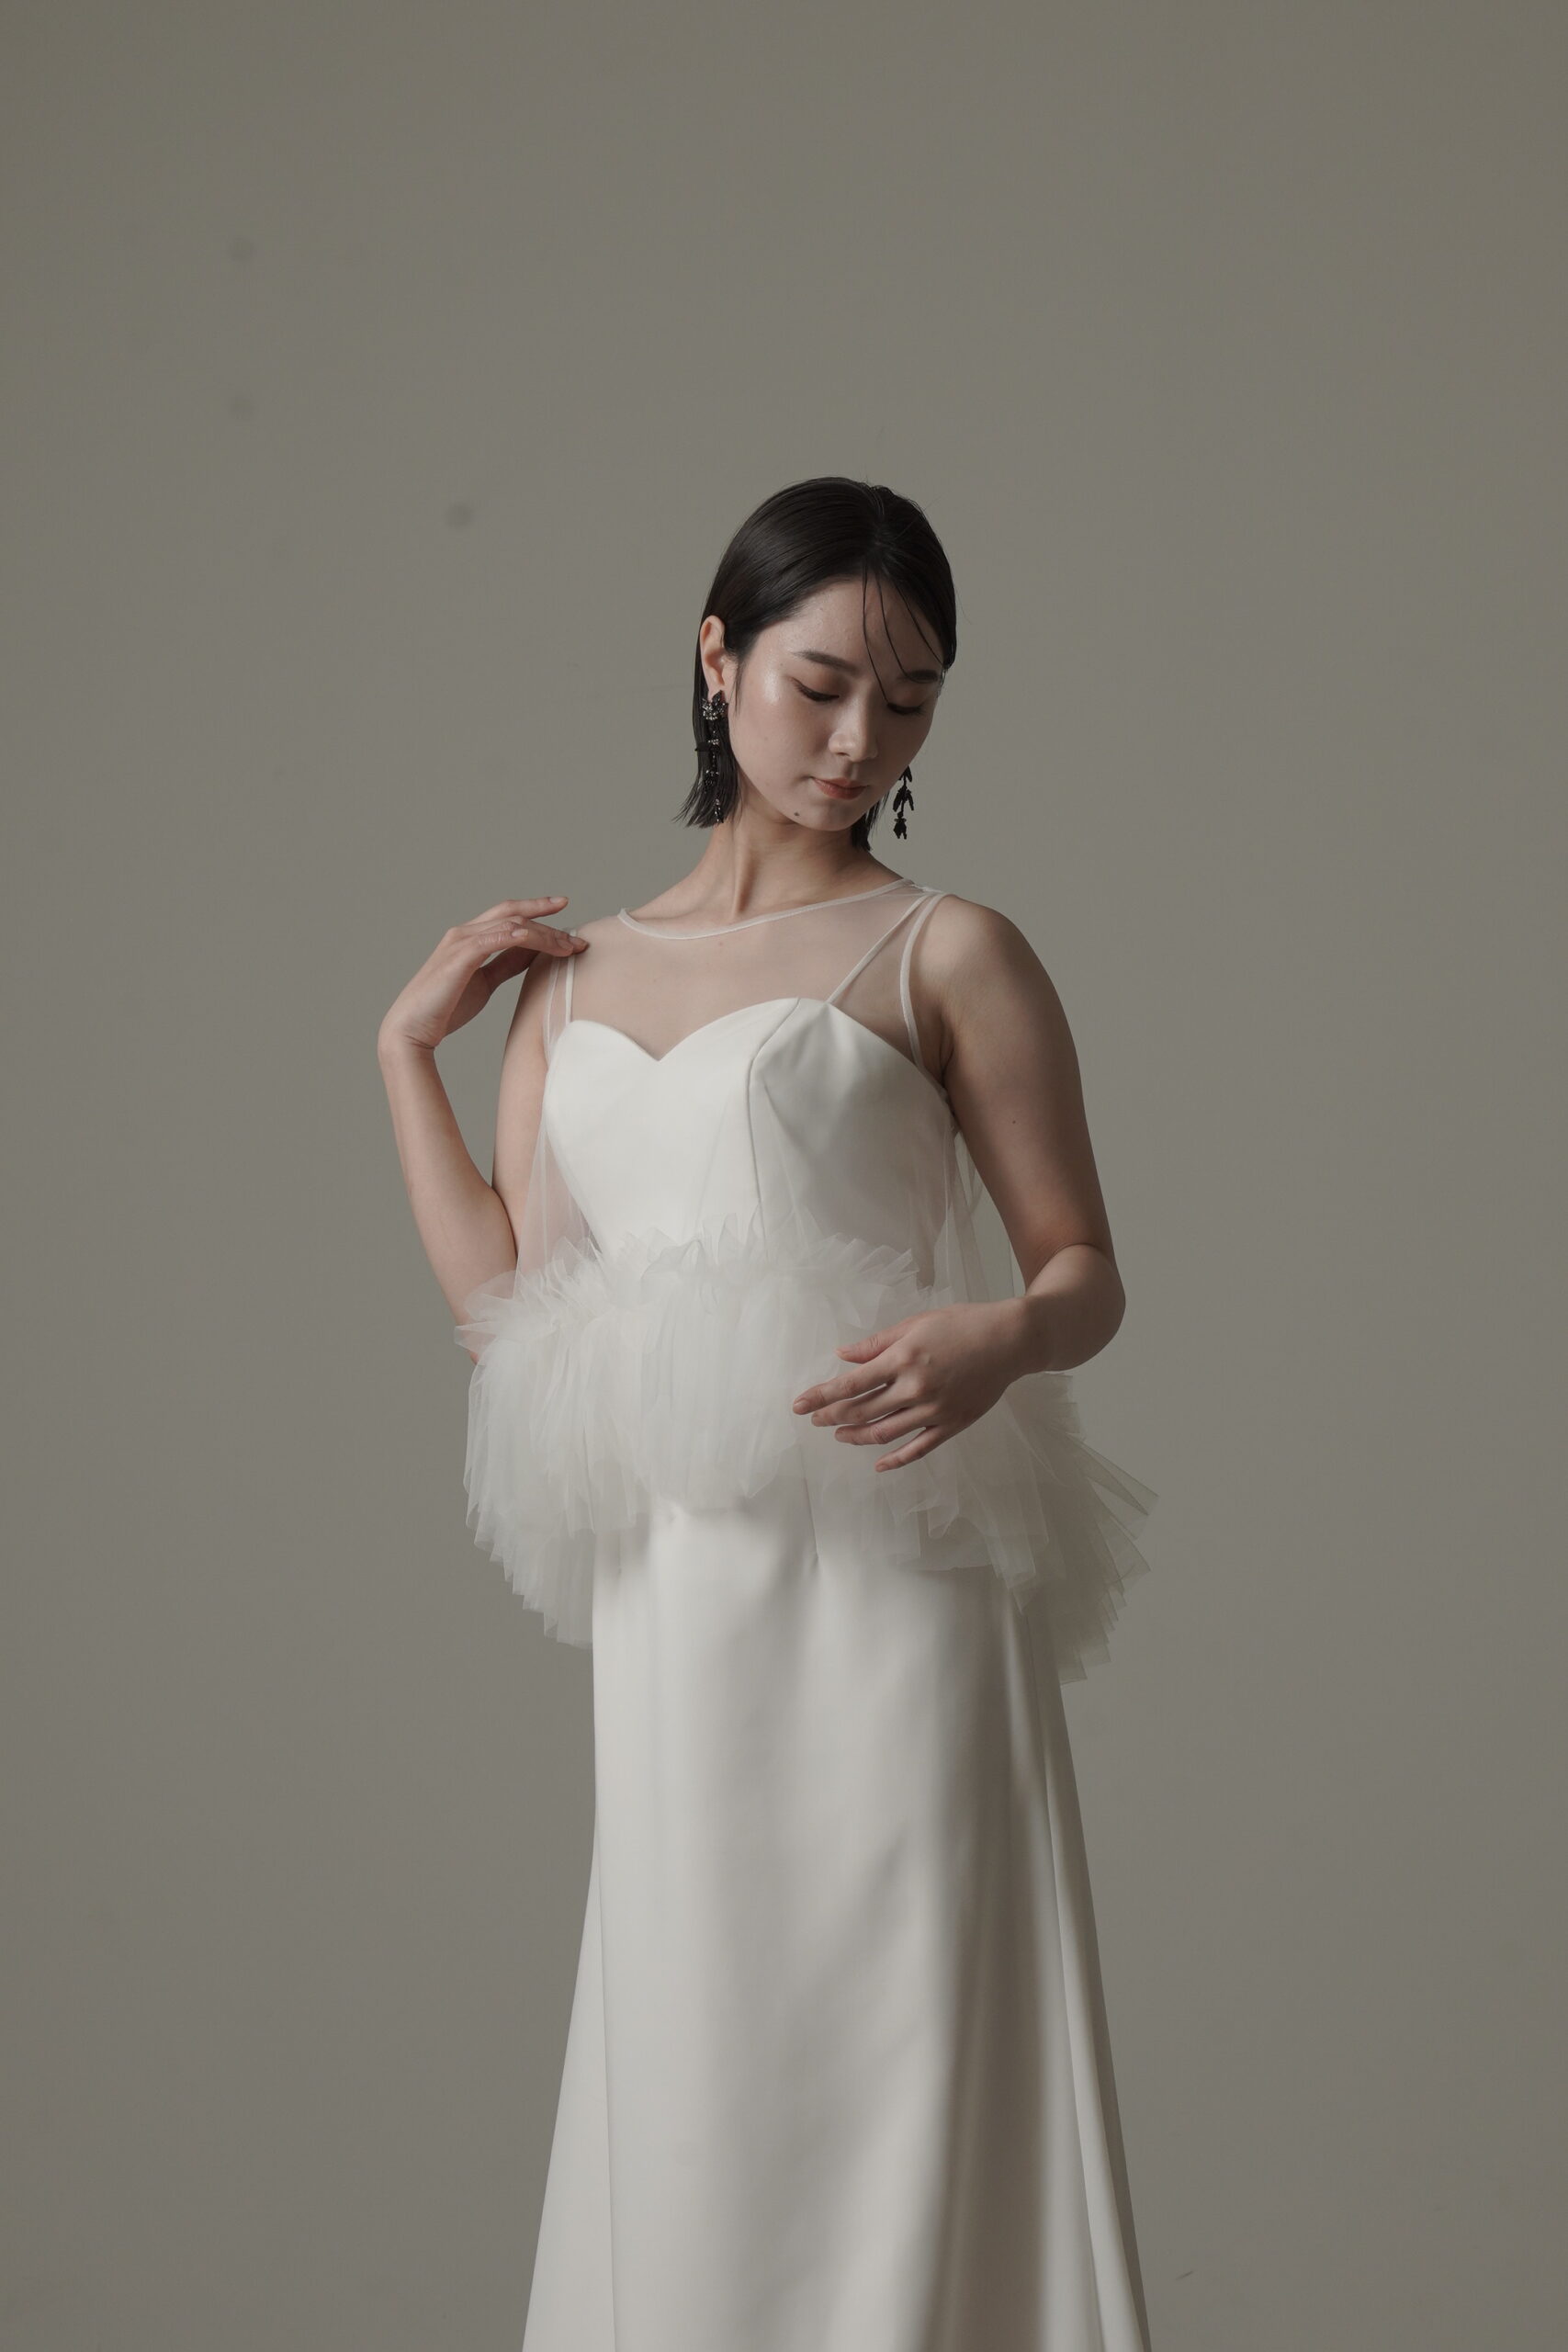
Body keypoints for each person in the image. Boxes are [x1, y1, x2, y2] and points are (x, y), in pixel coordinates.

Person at [377, 476, 1158, 2351]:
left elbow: (1084, 1270)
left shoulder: (948, 948)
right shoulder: (570, 986)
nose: (858, 739)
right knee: (697, 2054)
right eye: (821, 684)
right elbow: (511, 1319)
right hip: (684, 1601)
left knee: (896, 2039)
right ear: (716, 658)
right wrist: (405, 1053)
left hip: (894, 1577)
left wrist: (997, 1340)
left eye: (910, 699)